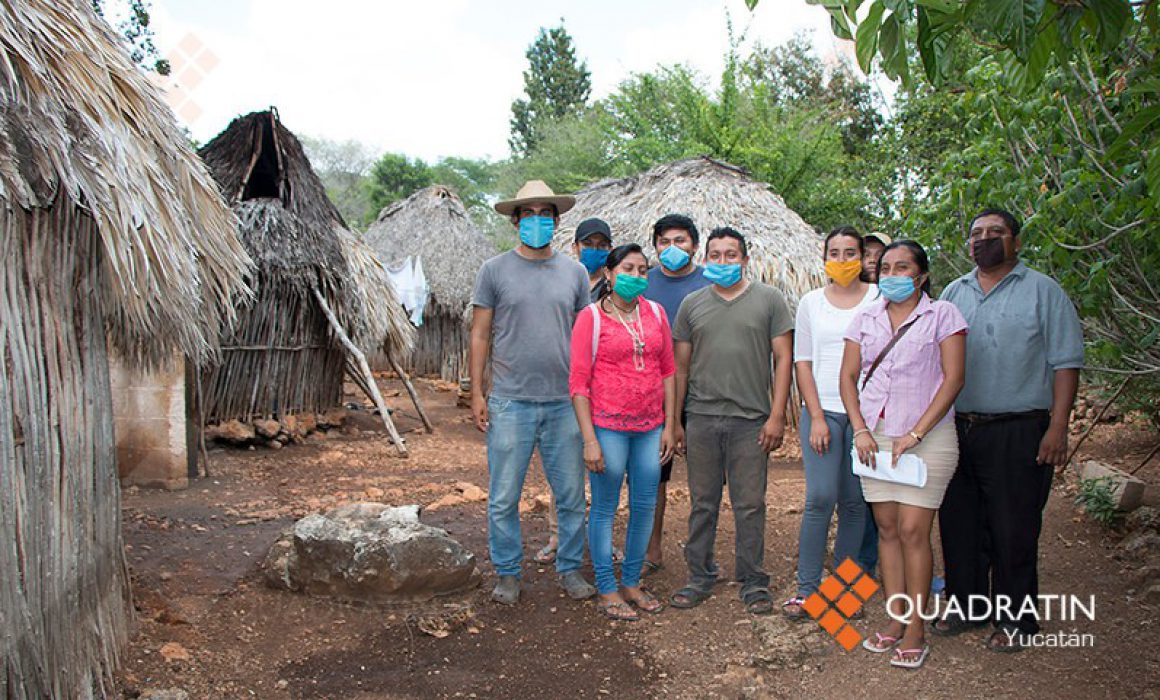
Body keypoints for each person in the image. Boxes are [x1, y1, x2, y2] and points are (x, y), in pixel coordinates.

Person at [935, 208, 1082, 651]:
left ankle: (1017, 619)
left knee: (1013, 526)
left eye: (995, 233)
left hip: (1019, 428)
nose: (985, 239)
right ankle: (967, 606)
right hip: (957, 427)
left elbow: (1066, 363)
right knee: (959, 523)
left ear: (1015, 241)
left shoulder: (1043, 292)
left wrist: (1058, 426)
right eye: (977, 233)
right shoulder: (952, 293)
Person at [839, 240, 967, 670]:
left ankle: (917, 627)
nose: (892, 274)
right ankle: (894, 621)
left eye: (903, 267)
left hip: (927, 438)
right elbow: (849, 377)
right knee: (888, 527)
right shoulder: (866, 317)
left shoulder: (943, 315)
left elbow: (954, 379)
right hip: (874, 437)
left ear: (922, 275)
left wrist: (915, 433)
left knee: (914, 529)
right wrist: (859, 428)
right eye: (886, 267)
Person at [469, 180, 597, 605]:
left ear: (557, 222)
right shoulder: (494, 270)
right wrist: (476, 392)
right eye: (529, 214)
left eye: (546, 214)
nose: (538, 221)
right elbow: (481, 334)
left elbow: (584, 337)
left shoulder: (575, 273)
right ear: (515, 221)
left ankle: (569, 568)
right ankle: (507, 572)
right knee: (504, 496)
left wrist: (588, 394)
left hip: (565, 402)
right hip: (509, 400)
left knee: (571, 497)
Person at [669, 227, 794, 615]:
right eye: (716, 255)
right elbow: (680, 368)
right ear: (706, 258)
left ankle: (753, 581)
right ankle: (700, 575)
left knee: (750, 504)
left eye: (731, 255)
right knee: (702, 503)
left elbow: (784, 359)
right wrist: (676, 422)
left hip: (751, 421)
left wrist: (776, 417)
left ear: (745, 258)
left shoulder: (770, 301)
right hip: (702, 418)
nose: (723, 262)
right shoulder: (692, 304)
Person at [569, 244, 677, 621]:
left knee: (645, 506)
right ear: (611, 274)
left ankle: (631, 580)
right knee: (604, 508)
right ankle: (607, 587)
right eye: (628, 268)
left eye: (643, 270)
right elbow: (578, 384)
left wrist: (669, 424)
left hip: (650, 427)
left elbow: (668, 371)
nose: (636, 276)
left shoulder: (657, 313)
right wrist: (590, 439)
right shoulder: (591, 318)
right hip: (607, 427)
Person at [783, 227, 877, 619]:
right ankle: (807, 589)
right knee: (820, 497)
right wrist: (816, 415)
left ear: (863, 256)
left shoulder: (878, 298)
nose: (842, 260)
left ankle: (845, 589)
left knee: (855, 502)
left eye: (850, 252)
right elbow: (801, 360)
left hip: (864, 416)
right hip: (821, 412)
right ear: (825, 257)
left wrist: (864, 424)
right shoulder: (811, 302)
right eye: (834, 252)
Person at [537, 217, 616, 566]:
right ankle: (558, 535)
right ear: (576, 247)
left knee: (606, 467)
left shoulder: (617, 288)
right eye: (590, 244)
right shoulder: (562, 281)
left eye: (602, 246)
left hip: (607, 391)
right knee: (563, 467)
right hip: (566, 389)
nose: (595, 251)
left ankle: (602, 538)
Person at [641, 214, 711, 578]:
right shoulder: (642, 283)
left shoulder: (710, 284)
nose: (672, 248)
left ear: (695, 246)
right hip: (653, 393)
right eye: (664, 242)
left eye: (680, 241)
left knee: (705, 480)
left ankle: (702, 557)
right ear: (655, 246)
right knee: (655, 475)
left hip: (703, 394)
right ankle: (652, 548)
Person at [856, 230, 890, 573]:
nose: (872, 260)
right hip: (860, 415)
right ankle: (862, 567)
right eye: (866, 253)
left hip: (903, 420)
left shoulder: (918, 306)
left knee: (903, 501)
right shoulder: (848, 304)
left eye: (879, 254)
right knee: (861, 499)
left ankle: (903, 571)